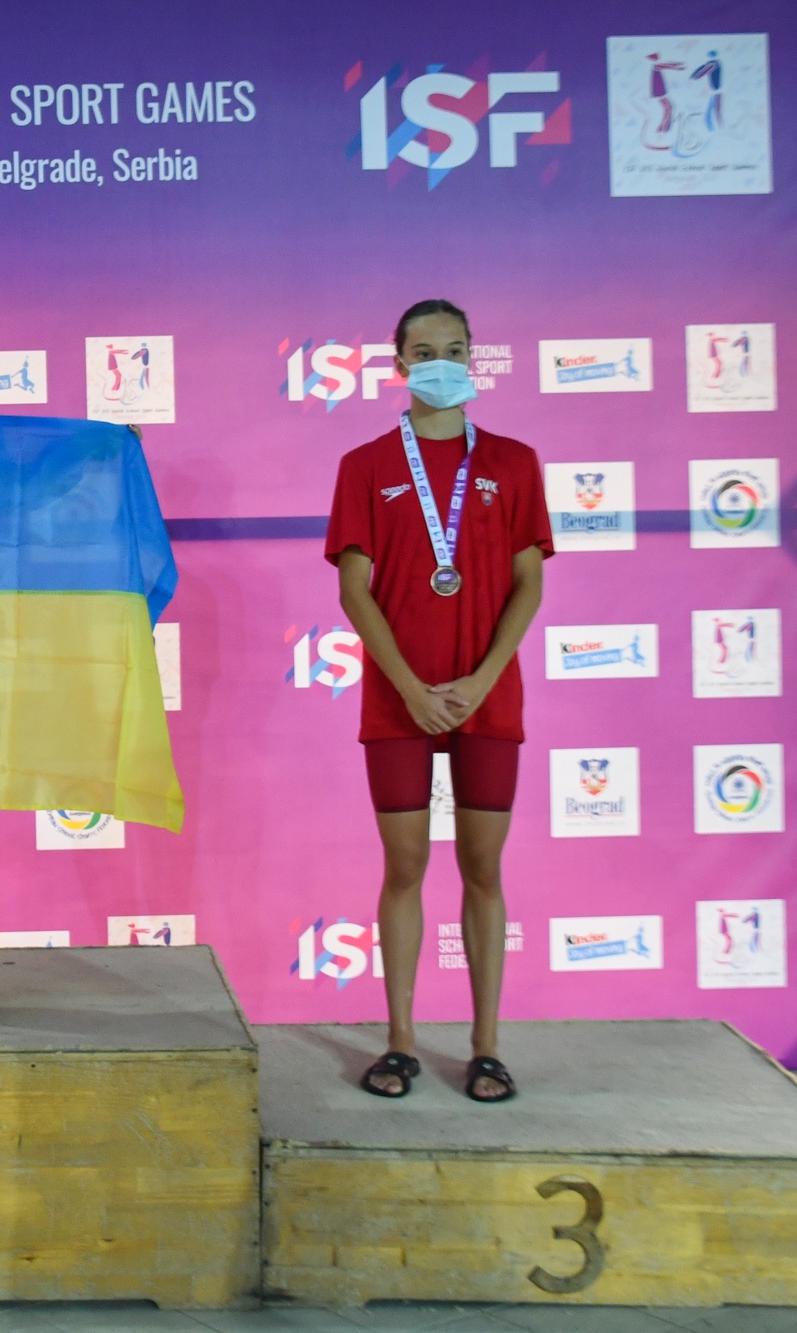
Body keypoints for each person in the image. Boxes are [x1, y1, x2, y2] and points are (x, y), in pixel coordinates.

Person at [323, 299, 550, 1102]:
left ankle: (486, 1047)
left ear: (473, 357)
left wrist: (481, 680)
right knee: (406, 866)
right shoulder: (366, 464)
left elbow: (529, 584)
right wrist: (411, 689)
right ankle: (400, 1042)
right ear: (399, 365)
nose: (441, 363)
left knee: (483, 869)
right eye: (425, 352)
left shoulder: (515, 462)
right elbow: (355, 591)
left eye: (455, 348)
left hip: (489, 695)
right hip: (400, 702)